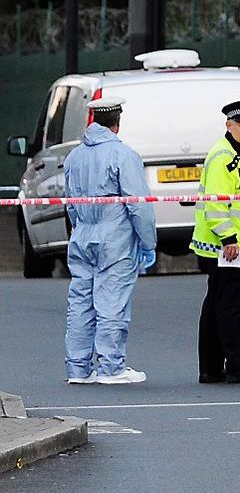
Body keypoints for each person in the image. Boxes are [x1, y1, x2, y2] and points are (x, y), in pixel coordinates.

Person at [64, 97, 156, 385]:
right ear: (118, 122)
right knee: (112, 302)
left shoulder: (74, 157)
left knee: (80, 302)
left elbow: (69, 205)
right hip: (115, 237)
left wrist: (80, 228)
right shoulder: (123, 155)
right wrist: (148, 242)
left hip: (82, 235)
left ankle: (78, 368)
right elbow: (138, 205)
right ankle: (111, 367)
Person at [190, 100, 240, 384]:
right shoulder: (226, 156)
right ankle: (238, 365)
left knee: (215, 305)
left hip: (226, 245)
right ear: (229, 125)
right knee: (230, 307)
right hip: (227, 246)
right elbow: (216, 205)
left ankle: (210, 368)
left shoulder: (232, 153)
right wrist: (229, 238)